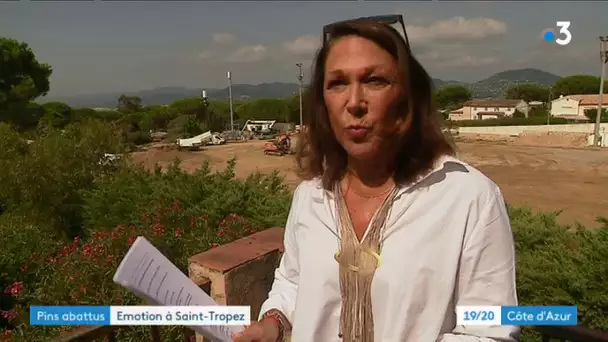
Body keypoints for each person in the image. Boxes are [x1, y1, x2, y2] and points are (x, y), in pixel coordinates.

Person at [234, 15, 519, 342]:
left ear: (406, 98)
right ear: (323, 103)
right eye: (337, 84)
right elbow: (293, 283)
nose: (354, 102)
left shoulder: (470, 198)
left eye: (375, 81)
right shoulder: (310, 196)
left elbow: (491, 331)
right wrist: (273, 323)